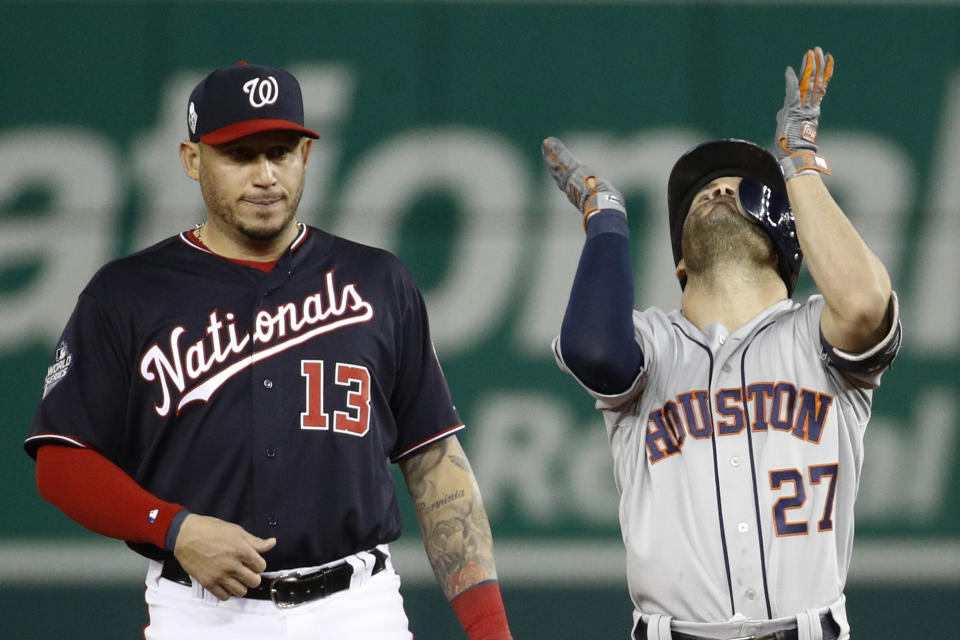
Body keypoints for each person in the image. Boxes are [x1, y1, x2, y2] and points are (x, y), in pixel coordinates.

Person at [25, 62, 513, 640]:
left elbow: (434, 462)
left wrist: (491, 633)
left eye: (280, 152)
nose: (264, 175)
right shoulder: (127, 292)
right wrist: (172, 527)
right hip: (202, 612)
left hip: (357, 609)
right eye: (239, 154)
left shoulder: (379, 281)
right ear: (191, 159)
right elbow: (62, 461)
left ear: (305, 156)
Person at [542, 47, 900, 640]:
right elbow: (594, 351)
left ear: (787, 239)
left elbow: (865, 302)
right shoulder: (652, 344)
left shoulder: (818, 336)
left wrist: (799, 165)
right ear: (680, 263)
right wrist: (605, 217)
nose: (715, 190)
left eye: (739, 187)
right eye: (699, 195)